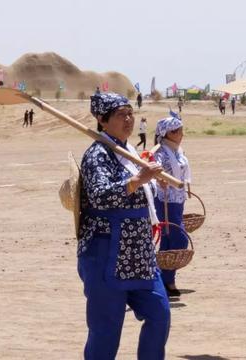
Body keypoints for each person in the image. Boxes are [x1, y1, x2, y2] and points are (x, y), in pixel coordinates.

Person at [78, 92, 170, 358]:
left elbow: (139, 187)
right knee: (106, 330)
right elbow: (100, 195)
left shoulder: (128, 152)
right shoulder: (97, 155)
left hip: (138, 253)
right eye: (121, 115)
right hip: (107, 249)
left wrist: (151, 181)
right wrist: (137, 180)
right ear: (102, 120)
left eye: (130, 113)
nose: (129, 119)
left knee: (160, 314)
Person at [153, 115, 192, 297]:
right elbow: (153, 168)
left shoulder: (178, 151)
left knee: (169, 242)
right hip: (165, 201)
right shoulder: (160, 152)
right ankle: (164, 278)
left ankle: (166, 281)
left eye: (181, 130)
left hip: (178, 200)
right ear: (165, 134)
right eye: (175, 131)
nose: (180, 134)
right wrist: (158, 177)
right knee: (179, 239)